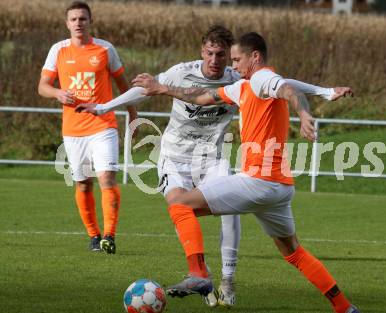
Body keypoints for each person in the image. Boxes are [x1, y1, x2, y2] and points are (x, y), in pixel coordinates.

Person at [76, 26, 352, 307]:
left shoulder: (259, 79)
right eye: (221, 57)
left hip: (255, 179)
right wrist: (326, 91)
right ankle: (345, 307)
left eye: (233, 59)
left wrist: (304, 113)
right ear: (202, 52)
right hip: (280, 188)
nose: (230, 65)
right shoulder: (242, 84)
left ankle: (203, 274)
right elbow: (201, 95)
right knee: (293, 252)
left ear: (253, 57)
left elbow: (288, 88)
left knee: (180, 205)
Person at [38, 1, 137, 254]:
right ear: (67, 23)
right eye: (73, 19)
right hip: (73, 130)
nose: (78, 23)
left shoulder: (105, 49)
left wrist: (132, 112)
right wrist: (57, 93)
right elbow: (43, 86)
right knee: (83, 183)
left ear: (90, 21)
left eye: (83, 19)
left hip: (103, 125)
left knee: (106, 177)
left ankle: (109, 235)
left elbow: (123, 85)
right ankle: (93, 236)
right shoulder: (58, 50)